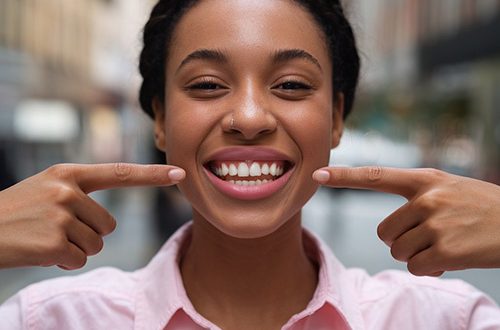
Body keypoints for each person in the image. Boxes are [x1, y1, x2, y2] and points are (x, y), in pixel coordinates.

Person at [0, 0, 500, 329]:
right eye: (207, 85)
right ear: (160, 119)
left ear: (336, 119)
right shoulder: (49, 319)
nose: (249, 118)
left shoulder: (446, 319)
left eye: (291, 86)